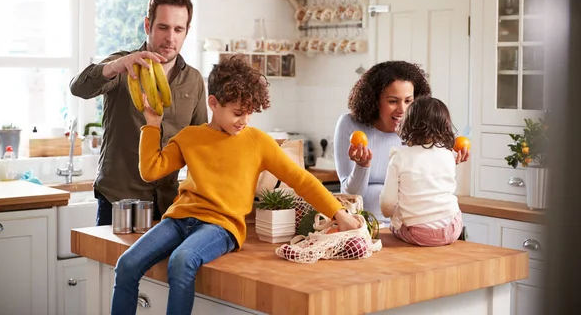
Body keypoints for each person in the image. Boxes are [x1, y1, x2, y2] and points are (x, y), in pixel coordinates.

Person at [111, 54, 361, 315]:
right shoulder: (191, 137)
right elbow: (150, 170)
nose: (244, 121)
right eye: (238, 113)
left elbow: (301, 180)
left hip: (222, 226)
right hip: (179, 218)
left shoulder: (257, 142)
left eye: (250, 113)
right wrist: (152, 125)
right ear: (213, 103)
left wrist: (338, 213)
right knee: (127, 264)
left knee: (181, 261)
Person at [69, 0, 207, 226]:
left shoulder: (193, 80)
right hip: (118, 201)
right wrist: (117, 66)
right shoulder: (123, 66)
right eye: (163, 27)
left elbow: (202, 143)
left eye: (178, 29)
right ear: (147, 25)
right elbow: (78, 88)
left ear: (187, 31)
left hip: (168, 205)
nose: (170, 37)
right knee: (113, 265)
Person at [333, 61, 469, 224]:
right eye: (392, 101)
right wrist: (362, 166)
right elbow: (349, 196)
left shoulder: (420, 129)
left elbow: (428, 187)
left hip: (411, 225)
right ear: (374, 100)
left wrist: (444, 159)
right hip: (364, 224)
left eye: (408, 101)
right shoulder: (350, 125)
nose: (402, 110)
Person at [380, 96, 463, 246]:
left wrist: (393, 217)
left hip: (420, 233)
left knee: (395, 223)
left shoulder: (399, 157)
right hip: (453, 227)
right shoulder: (448, 154)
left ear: (407, 124)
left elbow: (387, 205)